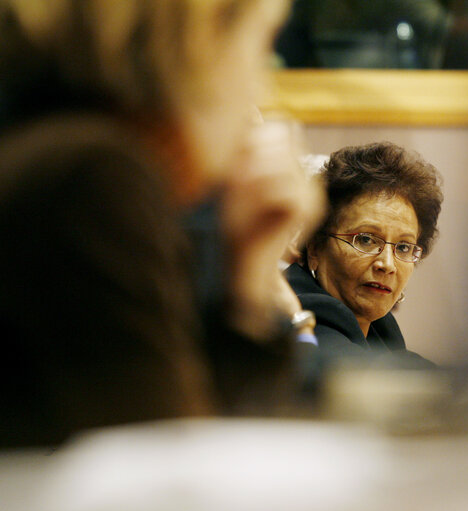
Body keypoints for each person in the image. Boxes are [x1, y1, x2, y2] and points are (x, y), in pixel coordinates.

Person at [0, 0, 323, 447]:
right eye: (263, 43)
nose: (262, 90)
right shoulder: (95, 178)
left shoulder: (51, 145)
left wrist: (248, 280)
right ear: (203, 37)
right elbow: (168, 473)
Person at [286, 142, 442, 362]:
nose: (387, 264)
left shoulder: (383, 338)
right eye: (366, 239)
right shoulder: (303, 330)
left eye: (404, 247)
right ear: (315, 247)